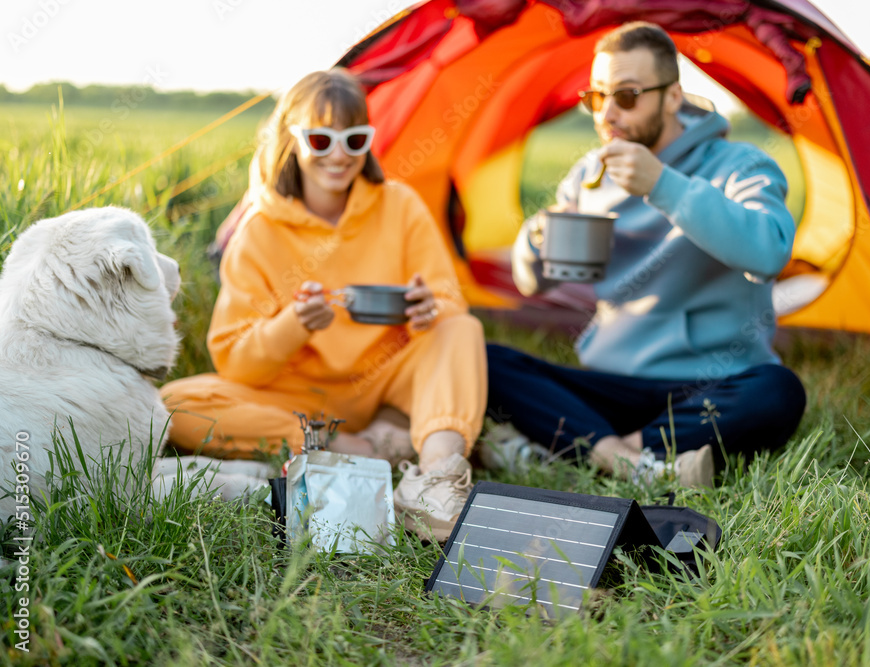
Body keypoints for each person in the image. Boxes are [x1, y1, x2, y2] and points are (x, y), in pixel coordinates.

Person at [161, 69, 486, 541]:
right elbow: (236, 363)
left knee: (461, 330)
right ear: (291, 140)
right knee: (176, 403)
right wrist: (293, 324)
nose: (339, 155)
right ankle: (364, 445)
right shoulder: (258, 232)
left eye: (354, 141)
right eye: (320, 139)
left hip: (384, 376)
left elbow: (447, 300)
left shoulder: (400, 205)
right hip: (300, 400)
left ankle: (436, 478)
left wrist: (427, 306)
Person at [486, 22, 806, 487]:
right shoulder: (588, 174)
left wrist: (662, 184)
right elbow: (534, 283)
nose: (608, 114)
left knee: (779, 392)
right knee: (485, 361)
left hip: (711, 383)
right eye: (596, 97)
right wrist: (535, 242)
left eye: (627, 96)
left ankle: (584, 447)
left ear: (673, 96)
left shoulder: (740, 165)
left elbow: (769, 251)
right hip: (611, 383)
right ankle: (633, 457)